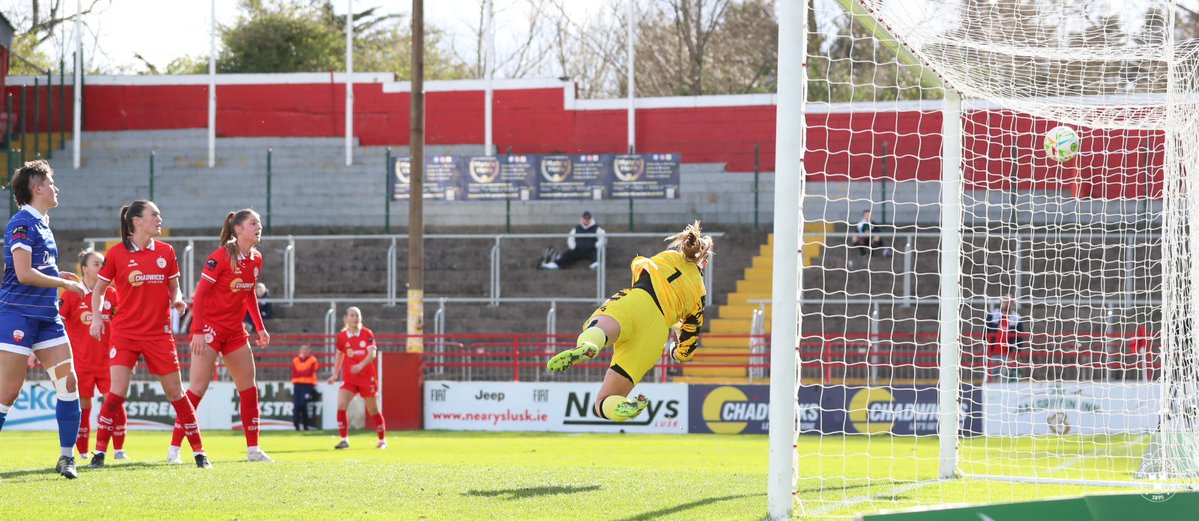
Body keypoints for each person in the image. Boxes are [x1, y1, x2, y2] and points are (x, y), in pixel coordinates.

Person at [546, 220, 711, 422]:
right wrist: (674, 352)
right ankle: (621, 405)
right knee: (603, 401)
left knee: (602, 326)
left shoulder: (668, 256)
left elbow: (648, 271)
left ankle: (589, 345)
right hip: (656, 334)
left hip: (639, 301)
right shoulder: (700, 294)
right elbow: (687, 348)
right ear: (705, 263)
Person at [88, 200, 211, 469]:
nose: (159, 219)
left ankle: (199, 453)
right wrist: (96, 317)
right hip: (125, 333)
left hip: (158, 334)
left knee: (176, 393)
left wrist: (177, 300)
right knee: (117, 392)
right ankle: (99, 453)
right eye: (154, 215)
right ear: (137, 221)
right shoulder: (117, 253)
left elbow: (174, 288)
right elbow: (98, 291)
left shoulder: (166, 251)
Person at [0, 160, 88, 479]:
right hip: (18, 315)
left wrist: (56, 273)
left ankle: (66, 458)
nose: (56, 188)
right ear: (37, 188)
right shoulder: (22, 224)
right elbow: (23, 274)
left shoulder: (42, 224)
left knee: (69, 384)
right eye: (51, 183)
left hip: (47, 317)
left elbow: (36, 270)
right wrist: (63, 283)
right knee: (7, 393)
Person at [168, 209, 272, 463]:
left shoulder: (256, 258)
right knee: (197, 388)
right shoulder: (221, 256)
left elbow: (249, 293)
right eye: (253, 223)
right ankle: (174, 449)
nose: (259, 226)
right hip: (209, 329)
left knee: (249, 388)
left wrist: (260, 327)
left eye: (259, 223)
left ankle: (253, 450)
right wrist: (197, 331)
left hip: (235, 331)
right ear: (238, 229)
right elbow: (200, 295)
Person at [59, 249, 127, 461]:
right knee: (83, 407)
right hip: (81, 363)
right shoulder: (71, 294)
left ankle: (119, 450)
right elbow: (58, 323)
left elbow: (123, 322)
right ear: (85, 269)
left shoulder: (112, 294)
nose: (101, 268)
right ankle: (82, 452)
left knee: (114, 404)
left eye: (103, 264)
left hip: (108, 361)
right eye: (97, 264)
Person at [327, 307, 386, 449]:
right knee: (341, 404)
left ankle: (382, 440)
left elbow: (372, 354)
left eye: (357, 315)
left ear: (361, 318)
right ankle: (344, 439)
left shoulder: (367, 333)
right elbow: (340, 354)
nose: (355, 318)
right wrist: (335, 374)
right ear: (346, 318)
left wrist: (360, 365)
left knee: (373, 410)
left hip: (367, 378)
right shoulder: (342, 336)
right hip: (350, 378)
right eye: (352, 315)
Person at [540, 210, 607, 270]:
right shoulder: (577, 228)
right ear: (582, 218)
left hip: (591, 250)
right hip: (578, 249)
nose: (586, 220)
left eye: (588, 218)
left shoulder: (597, 228)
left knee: (598, 253)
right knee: (567, 254)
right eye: (585, 218)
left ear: (590, 219)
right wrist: (573, 246)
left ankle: (597, 264)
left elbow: (602, 238)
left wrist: (596, 245)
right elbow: (571, 238)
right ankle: (556, 264)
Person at [985, 296, 1027, 382]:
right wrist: (986, 346)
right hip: (992, 352)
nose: (1007, 304)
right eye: (1005, 302)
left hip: (1007, 353)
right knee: (990, 375)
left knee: (1004, 377)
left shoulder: (1016, 318)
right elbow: (986, 331)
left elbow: (1019, 337)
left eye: (1010, 302)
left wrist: (1018, 352)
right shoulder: (993, 315)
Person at [291, 344, 320, 431]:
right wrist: (304, 371)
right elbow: (295, 373)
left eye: (306, 349)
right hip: (297, 385)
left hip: (308, 385)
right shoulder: (295, 360)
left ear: (309, 351)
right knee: (296, 405)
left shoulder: (313, 360)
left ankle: (305, 425)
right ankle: (296, 426)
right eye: (303, 349)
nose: (304, 351)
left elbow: (310, 372)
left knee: (303, 404)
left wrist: (301, 372)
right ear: (300, 350)